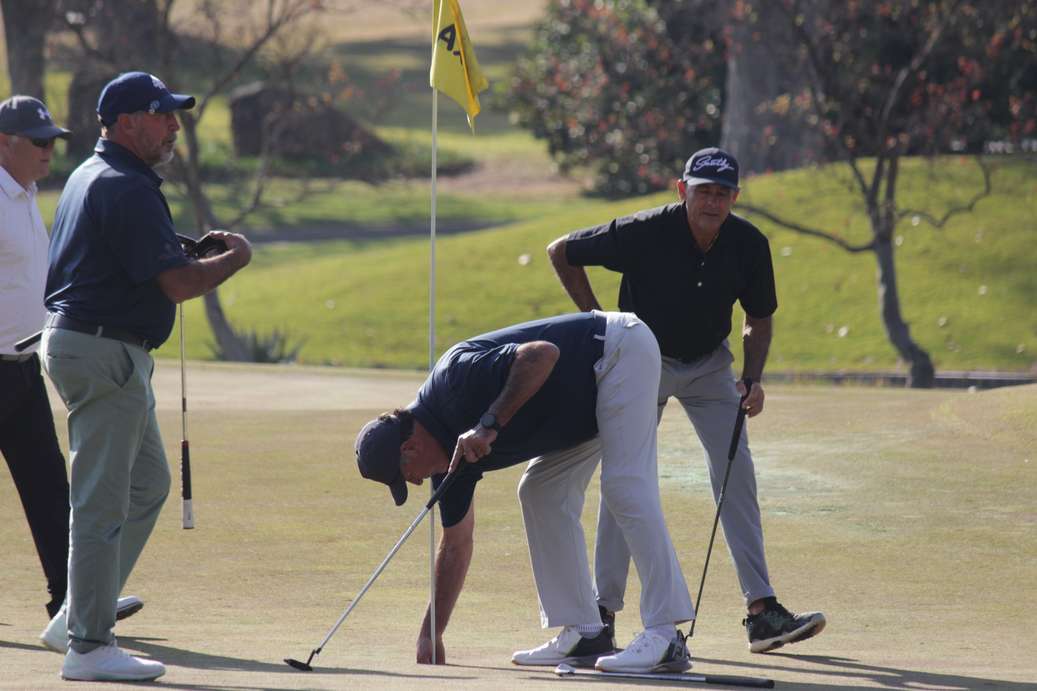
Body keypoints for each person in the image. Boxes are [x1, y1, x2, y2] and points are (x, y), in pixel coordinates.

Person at [547, 147, 826, 654]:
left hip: (710, 364)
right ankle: (600, 616)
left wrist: (753, 378)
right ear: (683, 191)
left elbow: (758, 318)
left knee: (737, 473)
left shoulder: (748, 243)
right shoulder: (643, 230)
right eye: (703, 192)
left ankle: (762, 612)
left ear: (734, 197)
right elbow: (560, 251)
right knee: (626, 478)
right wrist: (600, 323)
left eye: (722, 193)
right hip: (642, 361)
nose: (712, 202)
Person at [39, 71, 252, 682]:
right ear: (128, 122)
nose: (174, 126)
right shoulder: (126, 186)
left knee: (147, 483)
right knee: (101, 503)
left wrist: (180, 252)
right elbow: (179, 284)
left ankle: (77, 615)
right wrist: (235, 257)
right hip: (103, 350)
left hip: (93, 345)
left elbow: (129, 262)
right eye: (163, 114)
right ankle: (88, 645)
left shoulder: (93, 174)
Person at [356, 311, 696, 674]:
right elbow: (456, 543)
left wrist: (488, 425)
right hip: (582, 406)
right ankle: (585, 632)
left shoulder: (454, 379)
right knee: (540, 490)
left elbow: (541, 354)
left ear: (409, 448)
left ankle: (664, 635)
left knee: (624, 485)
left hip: (617, 352)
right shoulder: (448, 465)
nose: (414, 483)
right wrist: (431, 632)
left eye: (404, 476)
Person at [0, 95, 144, 632]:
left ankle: (73, 602)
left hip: (23, 366)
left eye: (53, 142)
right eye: (39, 142)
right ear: (4, 143)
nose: (49, 151)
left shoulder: (25, 194)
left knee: (49, 487)